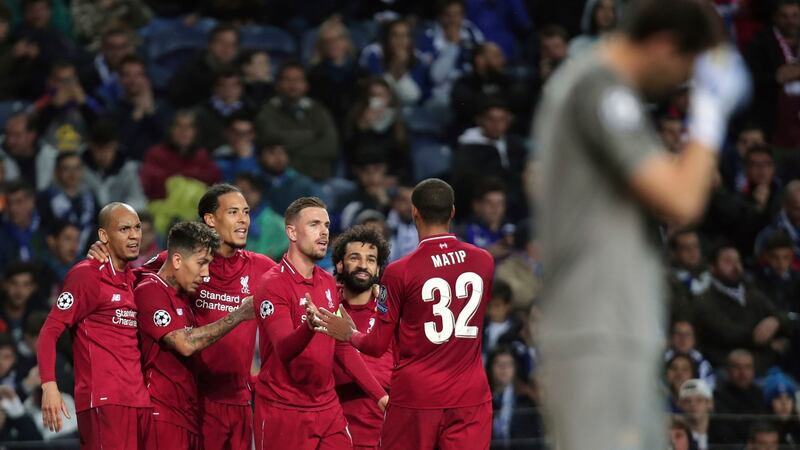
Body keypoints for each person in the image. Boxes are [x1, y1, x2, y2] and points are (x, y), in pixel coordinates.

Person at [532, 1, 750, 449]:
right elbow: (682, 199)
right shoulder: (599, 88)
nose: (679, 84)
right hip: (596, 329)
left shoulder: (592, 86)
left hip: (609, 327)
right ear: (664, 44)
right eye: (685, 68)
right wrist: (709, 112)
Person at [90, 183, 277, 450]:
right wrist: (102, 259)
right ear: (211, 219)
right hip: (197, 402)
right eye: (234, 212)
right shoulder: (179, 261)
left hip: (241, 402)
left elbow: (295, 291)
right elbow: (128, 281)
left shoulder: (262, 267)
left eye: (246, 212)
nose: (244, 219)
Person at [316, 179, 495, 450]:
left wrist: (349, 334)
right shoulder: (484, 261)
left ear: (414, 212)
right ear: (453, 212)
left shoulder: (399, 272)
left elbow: (376, 345)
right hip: (471, 395)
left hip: (417, 397)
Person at [251, 196, 387, 450]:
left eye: (326, 225)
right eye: (314, 224)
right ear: (291, 232)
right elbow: (283, 348)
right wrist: (309, 327)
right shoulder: (272, 284)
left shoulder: (326, 282)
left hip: (327, 409)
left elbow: (343, 348)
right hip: (284, 410)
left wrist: (380, 396)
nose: (324, 232)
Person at [35, 203, 152, 447]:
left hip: (138, 400)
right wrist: (49, 386)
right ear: (103, 235)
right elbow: (49, 331)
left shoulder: (132, 278)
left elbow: (168, 261)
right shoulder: (86, 275)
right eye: (123, 229)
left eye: (137, 227)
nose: (134, 235)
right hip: (103, 400)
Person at [134, 221, 255, 449]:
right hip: (161, 415)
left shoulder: (183, 297)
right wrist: (238, 314)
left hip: (187, 415)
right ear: (177, 260)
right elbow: (186, 344)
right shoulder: (150, 291)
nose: (206, 273)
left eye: (208, 264)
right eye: (201, 263)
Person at [331, 225, 394, 450]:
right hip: (335, 428)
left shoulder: (390, 313)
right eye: (355, 258)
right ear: (340, 264)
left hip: (385, 429)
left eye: (370, 260)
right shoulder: (327, 305)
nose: (363, 265)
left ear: (377, 269)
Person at [254, 62, 340, 181]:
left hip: (320, 179)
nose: (293, 84)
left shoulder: (318, 110)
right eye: (287, 79)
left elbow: (330, 147)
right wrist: (310, 136)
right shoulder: (267, 111)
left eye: (298, 80)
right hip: (282, 180)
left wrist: (292, 152)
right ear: (278, 84)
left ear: (306, 85)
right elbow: (271, 140)